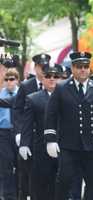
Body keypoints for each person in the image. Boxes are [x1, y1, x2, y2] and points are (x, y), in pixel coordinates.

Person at [44, 51, 93, 200]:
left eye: (86, 66)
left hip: (91, 145)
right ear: (73, 68)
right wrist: (51, 139)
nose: (83, 69)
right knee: (64, 181)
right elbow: (51, 114)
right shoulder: (61, 87)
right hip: (69, 145)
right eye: (79, 66)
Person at [18, 64, 62, 200]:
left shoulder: (67, 96)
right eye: (48, 76)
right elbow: (27, 124)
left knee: (62, 185)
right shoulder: (33, 98)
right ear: (42, 79)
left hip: (65, 147)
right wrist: (24, 143)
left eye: (56, 76)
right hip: (41, 148)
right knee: (41, 185)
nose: (52, 79)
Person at [13, 53, 51, 200]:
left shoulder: (54, 84)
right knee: (27, 175)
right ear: (35, 68)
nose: (43, 71)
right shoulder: (26, 86)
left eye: (46, 67)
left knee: (47, 176)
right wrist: (18, 132)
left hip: (46, 136)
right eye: (41, 67)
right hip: (29, 135)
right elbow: (17, 109)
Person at [0, 68, 20, 200]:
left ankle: (20, 193)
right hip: (4, 133)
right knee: (6, 165)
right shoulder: (1, 94)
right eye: (6, 79)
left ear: (17, 80)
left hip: (19, 133)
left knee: (20, 165)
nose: (9, 82)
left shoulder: (23, 94)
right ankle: (8, 195)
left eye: (11, 79)